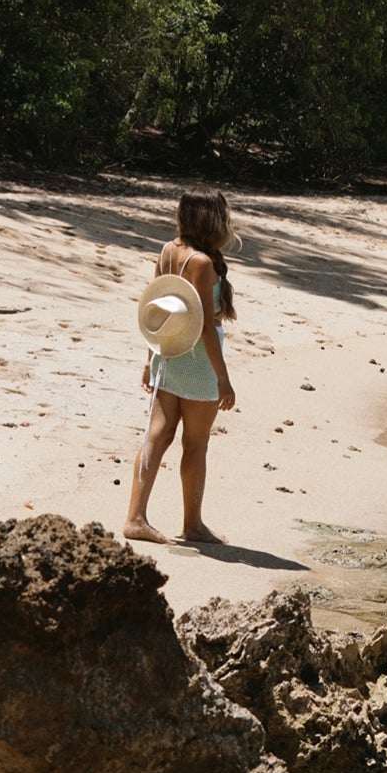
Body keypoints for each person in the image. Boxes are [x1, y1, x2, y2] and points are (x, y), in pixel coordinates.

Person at [123, 187, 237, 544]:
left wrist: (150, 360)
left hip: (167, 352)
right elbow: (204, 326)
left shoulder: (168, 252)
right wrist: (223, 379)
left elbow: (154, 309)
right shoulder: (202, 263)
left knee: (157, 435)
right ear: (213, 220)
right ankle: (192, 525)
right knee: (195, 444)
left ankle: (135, 518)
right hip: (197, 362)